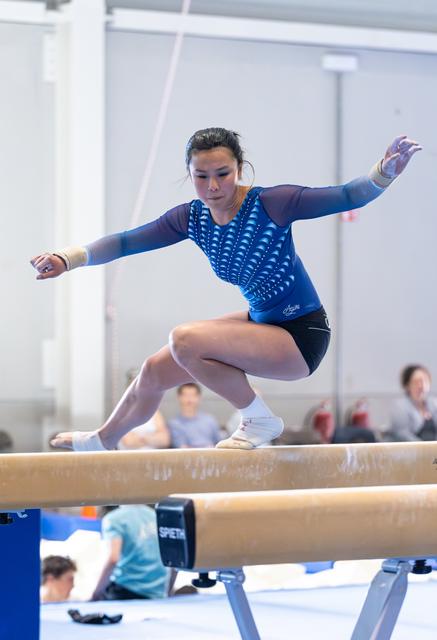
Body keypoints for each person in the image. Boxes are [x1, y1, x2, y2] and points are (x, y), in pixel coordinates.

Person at [30, 128, 421, 451]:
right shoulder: (192, 218)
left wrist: (383, 172)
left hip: (301, 336)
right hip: (262, 324)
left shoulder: (272, 203)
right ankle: (105, 439)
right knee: (153, 370)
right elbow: (127, 241)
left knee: (185, 340)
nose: (214, 186)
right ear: (190, 174)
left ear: (239, 168)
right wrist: (70, 257)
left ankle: (258, 418)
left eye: (223, 173)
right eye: (202, 176)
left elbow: (348, 195)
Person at [91, 505, 169, 601]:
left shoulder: (114, 519)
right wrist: (168, 590)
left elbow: (113, 558)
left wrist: (97, 592)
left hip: (126, 589)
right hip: (157, 590)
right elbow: (173, 557)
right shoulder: (154, 515)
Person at [387, 365, 437, 441]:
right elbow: (402, 435)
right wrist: (425, 448)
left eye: (425, 381)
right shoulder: (400, 407)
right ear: (407, 385)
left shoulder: (433, 404)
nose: (422, 386)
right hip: (409, 449)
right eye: (417, 382)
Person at [168, 383, 221, 448]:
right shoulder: (174, 424)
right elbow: (182, 447)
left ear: (199, 397)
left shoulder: (210, 420)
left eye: (193, 395)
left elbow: (219, 444)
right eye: (185, 395)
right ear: (179, 397)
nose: (189, 400)